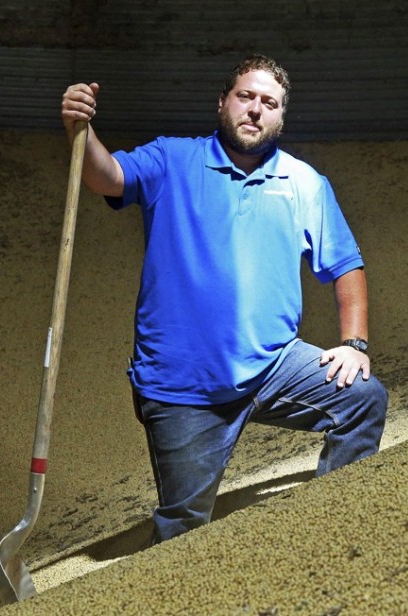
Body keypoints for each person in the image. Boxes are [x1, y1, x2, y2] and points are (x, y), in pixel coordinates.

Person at [60, 54, 387, 543]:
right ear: (222, 103)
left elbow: (346, 266)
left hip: (274, 364)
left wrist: (354, 344)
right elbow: (107, 176)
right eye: (245, 96)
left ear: (281, 116)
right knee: (184, 530)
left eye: (269, 103)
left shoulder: (303, 182)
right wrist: (79, 130)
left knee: (363, 399)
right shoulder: (172, 159)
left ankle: (331, 531)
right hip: (183, 387)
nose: (255, 109)